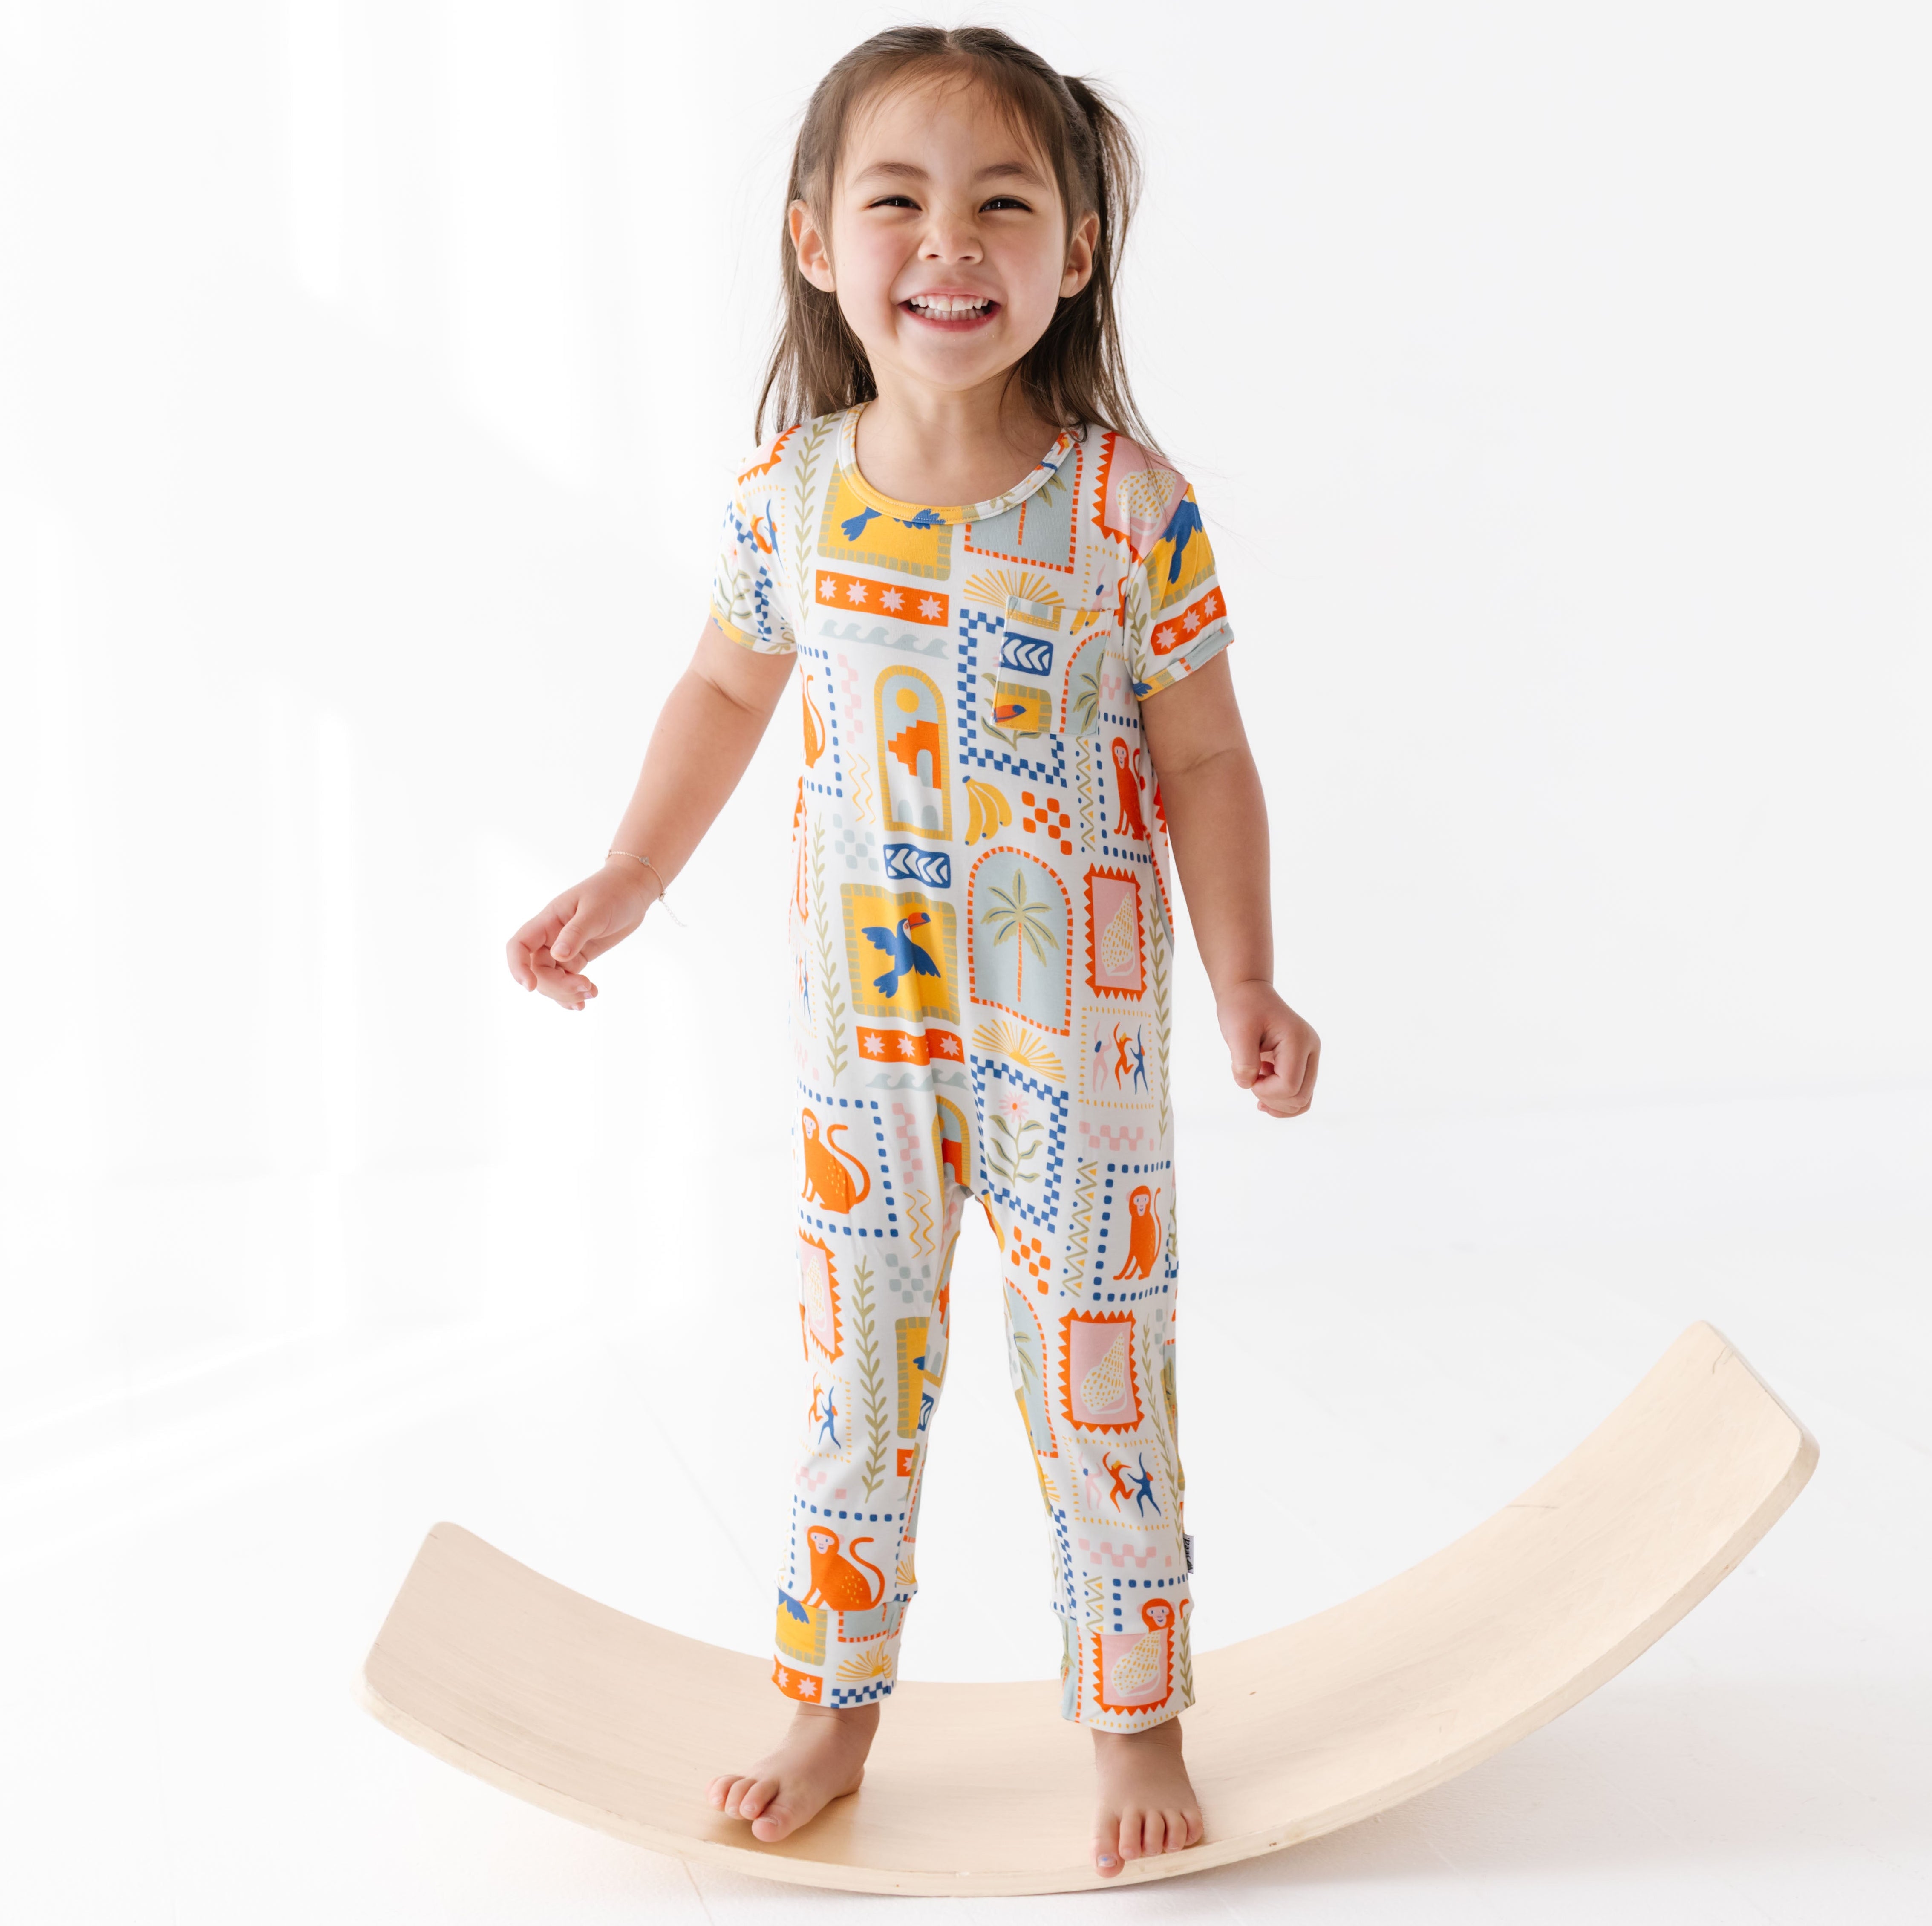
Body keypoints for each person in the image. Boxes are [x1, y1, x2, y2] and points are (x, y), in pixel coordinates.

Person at [505, 23, 1320, 1882]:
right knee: (854, 1365)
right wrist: (629, 873)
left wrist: (1246, 977)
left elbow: (1204, 752)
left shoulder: (1129, 504)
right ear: (816, 243)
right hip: (863, 1046)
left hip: (1077, 1041)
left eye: (1003, 205)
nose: (950, 242)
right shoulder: (791, 491)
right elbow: (723, 687)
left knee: (1098, 1358)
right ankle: (832, 1695)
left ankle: (1137, 1711)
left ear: (1077, 251)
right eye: (900, 201)